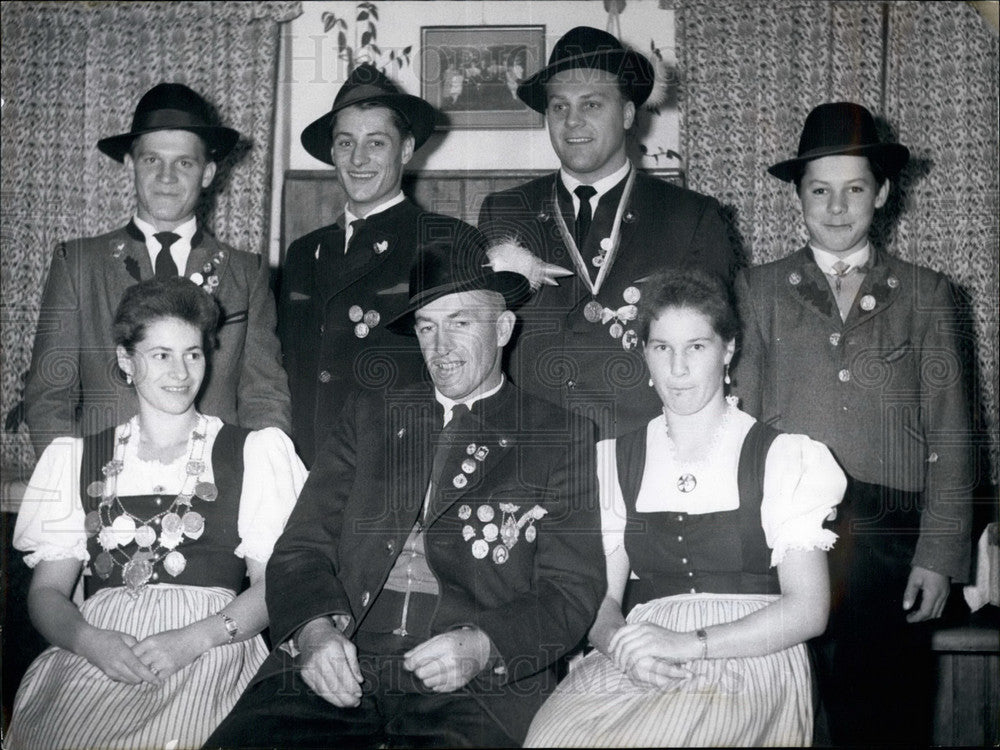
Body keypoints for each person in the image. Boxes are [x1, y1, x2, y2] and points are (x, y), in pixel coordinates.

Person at [206, 229, 606, 748]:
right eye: (426, 327)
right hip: (340, 661)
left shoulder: (559, 434)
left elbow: (569, 591)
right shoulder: (370, 414)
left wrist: (483, 645)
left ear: (504, 327)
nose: (440, 348)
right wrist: (314, 634)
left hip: (473, 684)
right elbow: (301, 550)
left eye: (460, 323)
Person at [734, 101, 974, 746]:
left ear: (884, 193)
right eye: (820, 191)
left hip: (892, 537)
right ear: (797, 197)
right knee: (794, 707)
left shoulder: (926, 293)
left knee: (886, 712)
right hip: (789, 534)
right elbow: (745, 428)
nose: (836, 208)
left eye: (854, 190)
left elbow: (951, 433)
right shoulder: (757, 291)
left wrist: (939, 556)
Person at [524, 268, 845, 747]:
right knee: (551, 738)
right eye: (661, 348)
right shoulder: (615, 460)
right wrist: (620, 645)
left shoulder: (783, 456)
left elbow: (808, 609)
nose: (677, 369)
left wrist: (688, 644)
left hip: (751, 654)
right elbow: (601, 601)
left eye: (696, 347)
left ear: (728, 350)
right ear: (645, 354)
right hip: (642, 652)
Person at [7, 277, 306, 750]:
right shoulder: (76, 457)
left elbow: (277, 586)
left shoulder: (253, 451)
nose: (181, 371)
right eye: (161, 354)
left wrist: (193, 640)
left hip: (212, 652)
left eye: (193, 353)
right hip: (101, 652)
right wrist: (87, 641)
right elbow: (46, 592)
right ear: (127, 361)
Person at [478, 26, 738, 440]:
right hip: (530, 454)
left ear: (629, 114)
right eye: (559, 107)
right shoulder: (506, 212)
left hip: (647, 455)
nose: (572, 121)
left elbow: (713, 352)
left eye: (592, 104)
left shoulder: (691, 218)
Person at [24, 82, 291, 458]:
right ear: (130, 165)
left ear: (209, 172)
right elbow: (50, 396)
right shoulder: (79, 264)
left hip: (214, 484)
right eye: (152, 160)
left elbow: (264, 396)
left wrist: (256, 481)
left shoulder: (246, 272)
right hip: (104, 483)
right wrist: (71, 483)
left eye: (184, 162)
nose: (167, 177)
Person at [280, 63, 478, 466]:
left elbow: (466, 378)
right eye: (345, 143)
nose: (358, 159)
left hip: (399, 467)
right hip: (309, 468)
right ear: (332, 152)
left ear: (405, 149)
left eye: (376, 143)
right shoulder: (304, 252)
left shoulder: (445, 241)